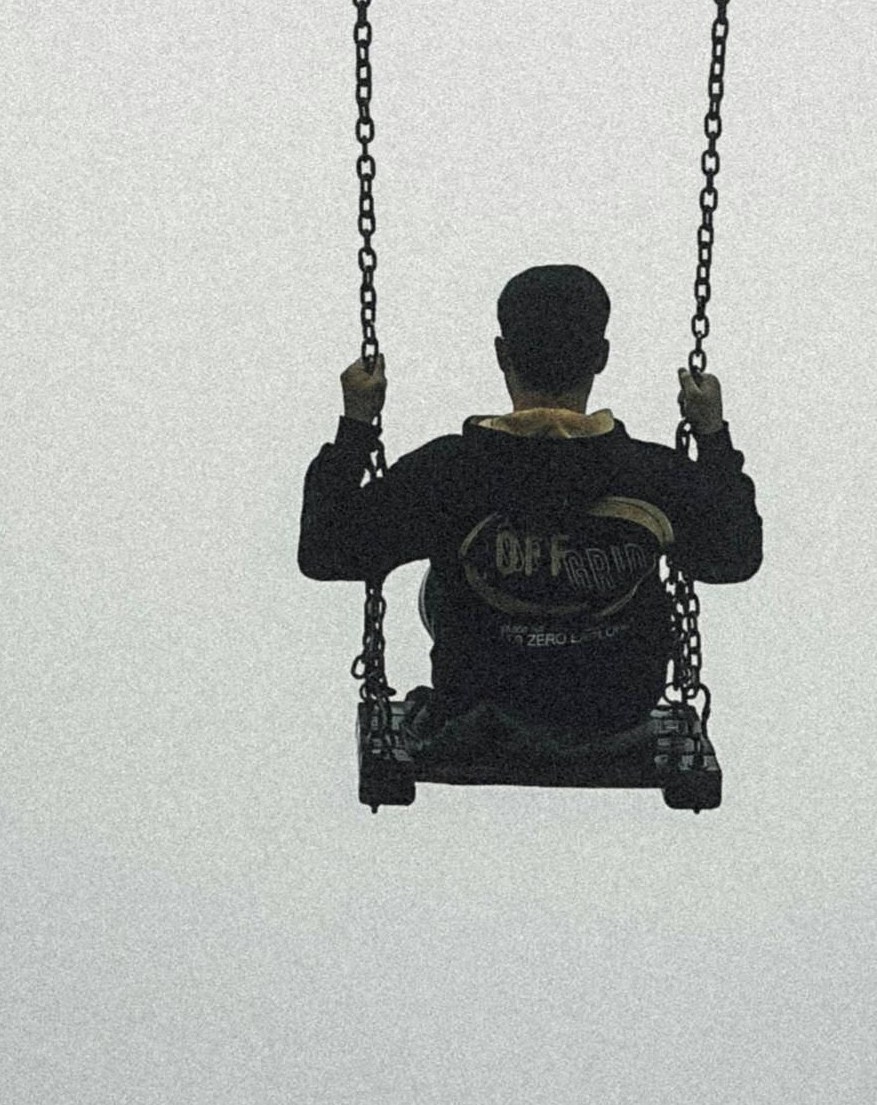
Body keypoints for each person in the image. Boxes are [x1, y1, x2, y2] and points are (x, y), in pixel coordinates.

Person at [298, 264, 761, 745]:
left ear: (502, 354)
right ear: (601, 356)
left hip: (482, 710)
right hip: (614, 715)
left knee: (443, 575)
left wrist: (356, 426)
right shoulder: (654, 477)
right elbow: (735, 557)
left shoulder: (448, 472)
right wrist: (712, 435)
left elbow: (327, 552)